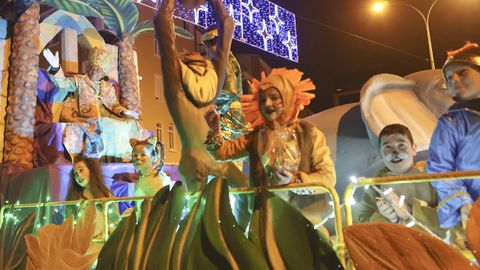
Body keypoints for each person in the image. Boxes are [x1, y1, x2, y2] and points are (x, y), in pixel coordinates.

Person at [204, 68, 336, 225]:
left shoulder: (309, 134)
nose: (267, 104)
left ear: (287, 98)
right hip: (264, 219)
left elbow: (328, 178)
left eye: (274, 98)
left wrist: (297, 181)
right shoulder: (256, 136)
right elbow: (222, 153)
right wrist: (214, 132)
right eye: (262, 100)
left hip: (303, 221)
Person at [42, 47, 140, 160]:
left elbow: (114, 105)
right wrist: (55, 68)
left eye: (98, 70)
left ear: (103, 73)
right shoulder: (80, 80)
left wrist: (125, 111)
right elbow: (63, 83)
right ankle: (92, 159)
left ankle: (125, 156)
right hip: (83, 117)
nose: (94, 71)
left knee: (130, 123)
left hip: (105, 116)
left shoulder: (108, 87)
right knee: (105, 125)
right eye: (93, 68)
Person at [427, 42, 480, 248]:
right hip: (472, 216)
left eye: (462, 72)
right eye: (449, 78)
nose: (454, 80)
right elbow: (439, 170)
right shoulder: (452, 122)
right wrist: (463, 203)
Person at [357, 124, 438, 226]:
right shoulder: (375, 185)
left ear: (414, 149)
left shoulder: (433, 176)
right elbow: (363, 224)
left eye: (401, 145)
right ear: (380, 154)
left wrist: (410, 211)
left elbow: (449, 215)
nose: (395, 152)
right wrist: (388, 218)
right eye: (388, 147)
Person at [202, 26, 251, 140]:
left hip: (229, 118)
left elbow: (231, 91)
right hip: (228, 116)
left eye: (209, 46)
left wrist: (210, 104)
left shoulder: (225, 61)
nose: (207, 51)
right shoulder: (225, 60)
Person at [65, 157, 120, 244]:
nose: (78, 175)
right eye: (75, 173)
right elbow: (69, 223)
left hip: (101, 243)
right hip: (81, 245)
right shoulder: (74, 197)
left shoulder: (105, 194)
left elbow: (114, 221)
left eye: (81, 170)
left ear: (92, 171)